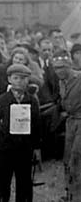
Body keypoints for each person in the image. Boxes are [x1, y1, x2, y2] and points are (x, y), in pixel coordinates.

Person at [0, 64, 42, 202]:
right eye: (16, 78)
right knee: (2, 180)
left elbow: (37, 125)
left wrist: (36, 147)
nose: (20, 81)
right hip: (5, 146)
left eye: (24, 78)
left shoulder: (32, 101)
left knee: (24, 180)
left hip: (25, 146)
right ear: (9, 79)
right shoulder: (2, 100)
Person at [52, 50, 81, 201]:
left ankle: (77, 196)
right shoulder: (61, 82)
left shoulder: (80, 77)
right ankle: (70, 193)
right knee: (67, 157)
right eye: (56, 68)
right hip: (70, 123)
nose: (59, 71)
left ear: (70, 64)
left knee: (77, 158)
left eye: (62, 67)